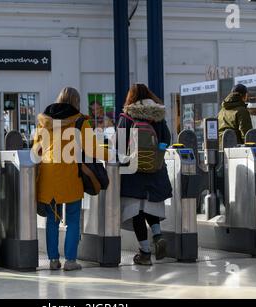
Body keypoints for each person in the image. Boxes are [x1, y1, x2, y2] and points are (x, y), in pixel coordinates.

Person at [32, 87, 109, 271]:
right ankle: (71, 261)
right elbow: (92, 150)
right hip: (70, 177)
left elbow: (36, 151)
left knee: (52, 220)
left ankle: (53, 260)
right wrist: (112, 155)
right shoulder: (80, 121)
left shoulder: (44, 122)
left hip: (48, 177)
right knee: (73, 219)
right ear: (76, 102)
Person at [117, 84, 173, 266]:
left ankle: (145, 253)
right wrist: (156, 155)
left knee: (137, 213)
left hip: (132, 173)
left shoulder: (126, 117)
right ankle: (157, 235)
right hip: (155, 172)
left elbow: (118, 145)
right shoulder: (158, 117)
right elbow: (166, 140)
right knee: (150, 208)